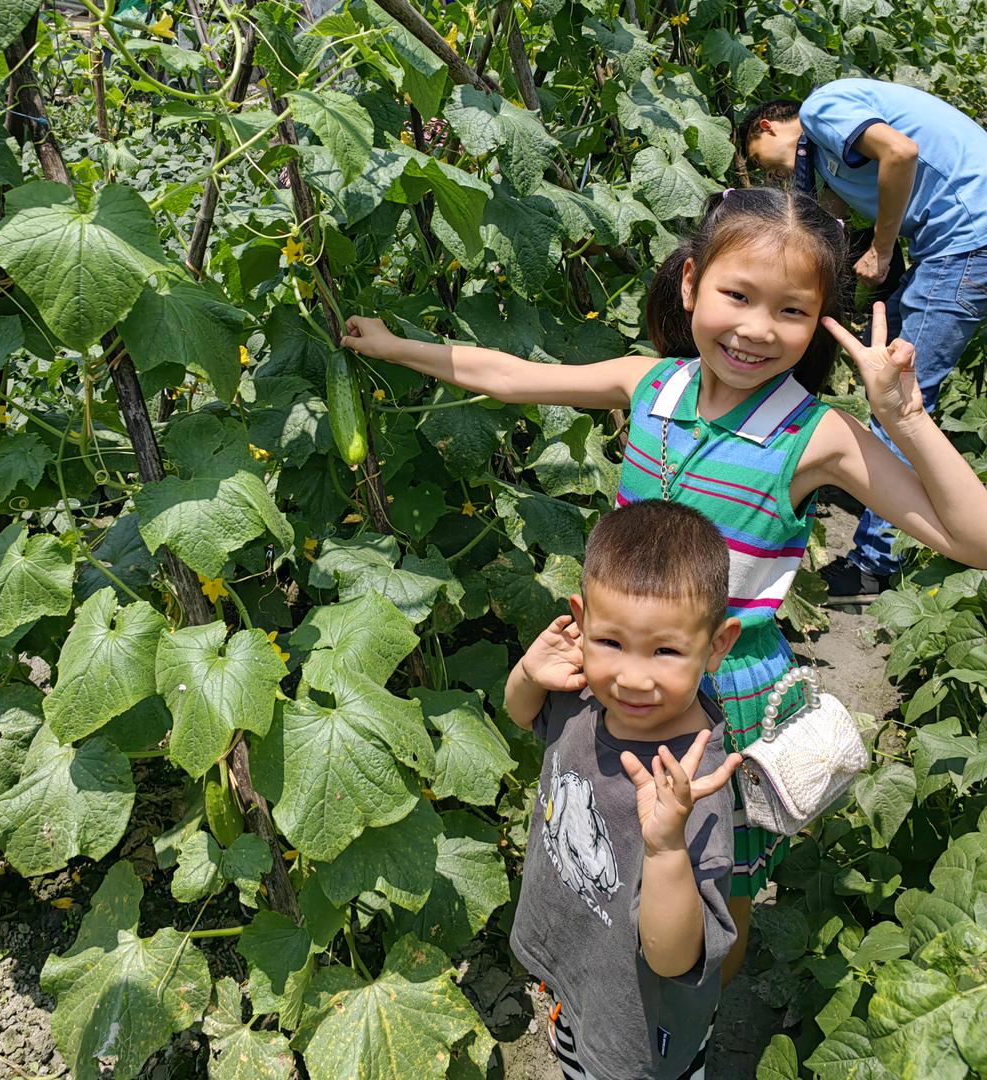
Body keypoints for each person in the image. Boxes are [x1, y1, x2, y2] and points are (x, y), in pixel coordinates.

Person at [341, 187, 987, 983]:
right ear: (690, 286)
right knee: (597, 832)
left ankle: (690, 1022)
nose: (755, 328)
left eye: (790, 311)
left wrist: (908, 417)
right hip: (614, 667)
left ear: (821, 322)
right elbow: (510, 375)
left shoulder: (816, 434)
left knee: (720, 880)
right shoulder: (652, 386)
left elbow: (974, 539)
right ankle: (605, 994)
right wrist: (398, 346)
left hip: (724, 697)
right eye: (736, 294)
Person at [504, 500, 742, 1079]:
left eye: (665, 651)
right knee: (572, 1054)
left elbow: (672, 956)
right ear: (581, 622)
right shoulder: (586, 695)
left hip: (636, 1028)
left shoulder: (693, 788)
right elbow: (523, 715)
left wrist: (664, 847)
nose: (633, 677)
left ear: (717, 644)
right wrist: (529, 674)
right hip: (581, 972)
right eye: (610, 642)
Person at [740, 82, 987, 601]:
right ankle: (871, 482)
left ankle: (873, 566)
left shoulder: (821, 108)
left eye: (760, 162)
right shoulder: (829, 155)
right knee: (887, 348)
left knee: (899, 394)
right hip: (954, 242)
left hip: (966, 240)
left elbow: (901, 152)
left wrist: (880, 247)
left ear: (765, 127)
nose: (771, 176)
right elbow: (833, 206)